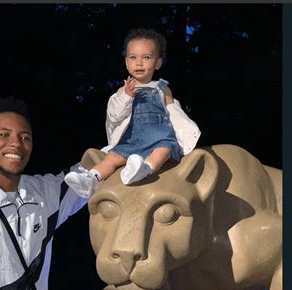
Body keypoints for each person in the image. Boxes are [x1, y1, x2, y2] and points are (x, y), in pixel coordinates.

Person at [0, 97, 87, 290]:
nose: (16, 143)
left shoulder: (40, 194)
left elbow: (89, 174)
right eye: (4, 135)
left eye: (25, 137)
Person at [65, 28, 201, 198]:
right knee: (113, 157)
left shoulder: (162, 88)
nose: (139, 63)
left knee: (165, 150)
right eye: (133, 57)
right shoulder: (125, 89)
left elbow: (174, 113)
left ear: (157, 63)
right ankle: (91, 178)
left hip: (159, 136)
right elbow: (114, 115)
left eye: (146, 57)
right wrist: (126, 96)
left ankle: (145, 168)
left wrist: (187, 132)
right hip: (133, 138)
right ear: (127, 62)